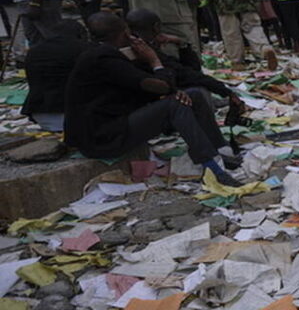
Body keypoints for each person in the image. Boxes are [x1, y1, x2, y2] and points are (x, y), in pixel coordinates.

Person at [63, 12, 239, 186]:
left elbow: (179, 76)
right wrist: (154, 61)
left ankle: (220, 151)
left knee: (194, 95)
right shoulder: (104, 58)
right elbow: (159, 86)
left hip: (110, 127)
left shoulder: (106, 53)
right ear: (124, 32)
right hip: (103, 137)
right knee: (175, 105)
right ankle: (212, 169)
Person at [22, 19, 90, 131]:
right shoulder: (85, 49)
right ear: (81, 35)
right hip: (75, 114)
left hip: (39, 113)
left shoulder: (34, 51)